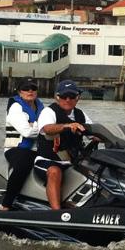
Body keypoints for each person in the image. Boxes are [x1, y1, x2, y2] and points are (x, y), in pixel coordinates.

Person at [34, 80, 93, 210]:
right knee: (54, 171)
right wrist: (67, 126)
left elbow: (94, 131)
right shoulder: (49, 112)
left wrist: (123, 131)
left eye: (71, 97)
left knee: (99, 171)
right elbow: (47, 128)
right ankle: (56, 212)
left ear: (77, 98)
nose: (68, 100)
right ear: (57, 97)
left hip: (73, 161)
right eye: (64, 96)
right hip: (48, 160)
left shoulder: (81, 114)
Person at [1, 77, 44, 210]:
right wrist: (40, 125)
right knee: (23, 165)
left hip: (37, 149)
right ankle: (6, 204)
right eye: (26, 89)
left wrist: (33, 125)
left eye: (33, 88)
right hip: (16, 149)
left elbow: (50, 125)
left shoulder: (40, 106)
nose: (30, 91)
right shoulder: (16, 107)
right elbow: (27, 132)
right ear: (20, 92)